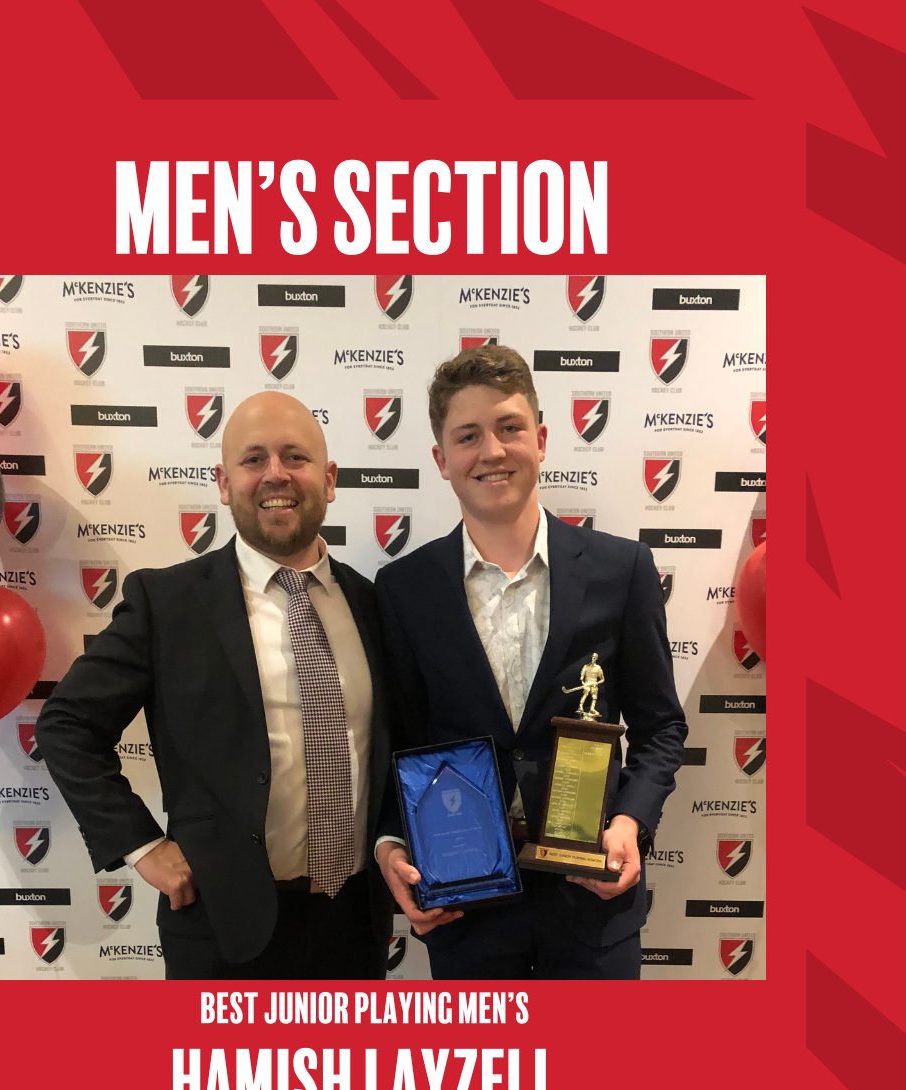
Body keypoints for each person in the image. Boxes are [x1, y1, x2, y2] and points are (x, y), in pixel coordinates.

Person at [36, 392, 391, 979]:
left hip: (354, 926)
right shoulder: (167, 603)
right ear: (224, 484)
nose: (275, 474)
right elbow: (66, 725)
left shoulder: (374, 604)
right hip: (220, 929)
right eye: (253, 459)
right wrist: (143, 846)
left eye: (295, 456)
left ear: (329, 479)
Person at [374, 346, 687, 979]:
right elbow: (399, 741)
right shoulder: (404, 589)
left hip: (593, 901)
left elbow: (662, 727)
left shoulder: (622, 570)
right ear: (441, 460)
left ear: (541, 440)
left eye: (509, 427)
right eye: (468, 436)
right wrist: (388, 844)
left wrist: (631, 821)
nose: (491, 451)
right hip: (467, 910)